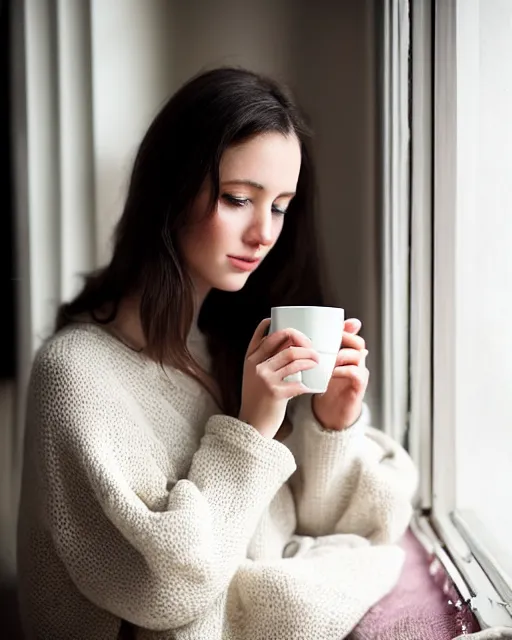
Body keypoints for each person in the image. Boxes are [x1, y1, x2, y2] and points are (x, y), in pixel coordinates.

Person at [17, 67, 418, 640]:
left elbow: (320, 523)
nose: (263, 232)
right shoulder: (74, 375)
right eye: (237, 199)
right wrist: (251, 431)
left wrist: (331, 424)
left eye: (280, 206)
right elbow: (166, 590)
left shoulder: (222, 347)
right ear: (170, 190)